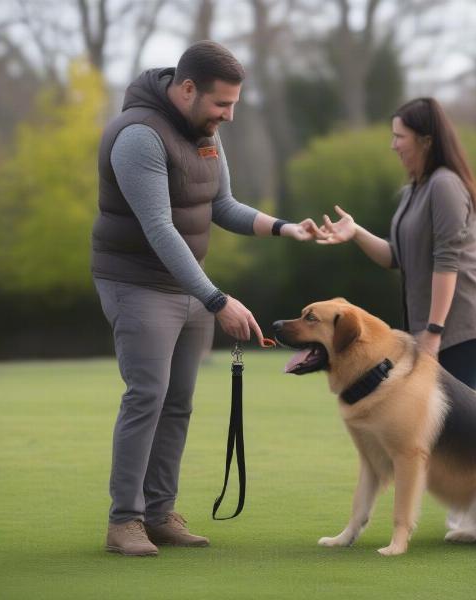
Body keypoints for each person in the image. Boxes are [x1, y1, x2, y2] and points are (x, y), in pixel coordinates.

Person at [92, 40, 320, 556]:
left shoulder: (206, 134)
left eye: (235, 104)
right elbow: (159, 229)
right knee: (146, 395)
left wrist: (286, 228)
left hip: (187, 283)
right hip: (135, 282)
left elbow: (223, 206)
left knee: (178, 403)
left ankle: (159, 513)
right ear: (187, 89)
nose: (229, 115)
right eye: (222, 104)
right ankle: (123, 521)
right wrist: (218, 300)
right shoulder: (137, 137)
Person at [317, 97, 476, 391]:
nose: (393, 145)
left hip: (463, 330)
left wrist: (433, 331)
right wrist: (355, 232)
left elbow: (447, 261)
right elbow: (396, 256)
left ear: (426, 141)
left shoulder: (445, 185)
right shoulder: (415, 190)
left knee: (447, 429)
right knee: (431, 430)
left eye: (399, 137)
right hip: (435, 329)